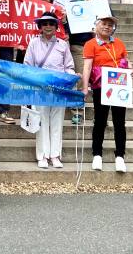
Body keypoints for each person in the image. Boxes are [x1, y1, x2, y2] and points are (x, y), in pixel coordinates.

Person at [81, 15, 133, 173]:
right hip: (100, 85)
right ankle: (97, 154)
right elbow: (87, 67)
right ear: (96, 26)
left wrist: (132, 69)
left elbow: (126, 60)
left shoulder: (118, 43)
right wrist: (85, 87)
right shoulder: (90, 44)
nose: (107, 27)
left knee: (120, 121)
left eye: (110, 25)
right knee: (100, 120)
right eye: (104, 24)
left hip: (119, 85)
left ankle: (120, 156)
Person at [23, 13, 76, 169]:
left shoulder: (62, 45)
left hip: (58, 89)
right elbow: (27, 66)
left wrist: (72, 77)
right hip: (40, 89)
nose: (48, 26)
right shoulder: (33, 43)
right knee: (42, 121)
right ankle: (43, 155)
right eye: (44, 23)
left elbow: (69, 66)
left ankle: (55, 155)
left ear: (56, 27)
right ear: (40, 26)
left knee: (57, 122)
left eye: (51, 24)